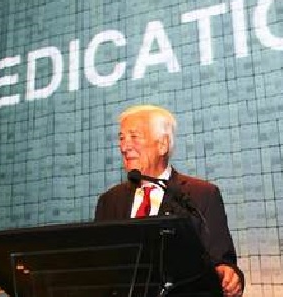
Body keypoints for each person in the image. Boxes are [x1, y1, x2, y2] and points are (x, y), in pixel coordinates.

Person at [95, 105, 244, 297]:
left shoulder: (201, 195)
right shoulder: (109, 201)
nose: (124, 146)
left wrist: (229, 275)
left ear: (162, 144)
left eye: (134, 136)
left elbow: (222, 261)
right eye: (121, 138)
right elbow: (100, 269)